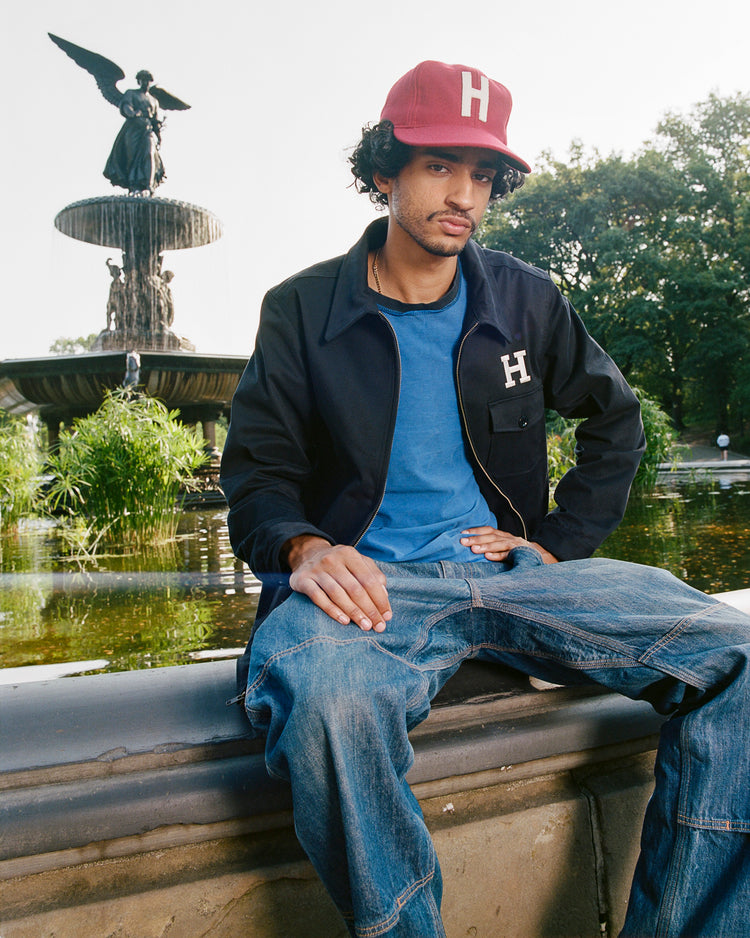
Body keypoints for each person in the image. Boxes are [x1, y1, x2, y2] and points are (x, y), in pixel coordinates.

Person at [220, 61, 750, 938]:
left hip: (510, 573)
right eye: (439, 167)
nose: (464, 194)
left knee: (740, 654)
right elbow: (257, 475)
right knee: (330, 701)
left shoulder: (526, 299)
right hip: (374, 590)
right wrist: (307, 549)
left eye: (482, 174)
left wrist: (559, 542)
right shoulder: (302, 309)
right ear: (384, 171)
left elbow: (616, 422)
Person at [103, 70, 166, 194]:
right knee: (131, 158)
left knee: (149, 154)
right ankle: (133, 186)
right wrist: (132, 113)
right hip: (132, 130)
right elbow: (126, 106)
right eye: (143, 80)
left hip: (147, 130)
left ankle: (149, 185)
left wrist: (159, 136)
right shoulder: (131, 93)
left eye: (148, 80)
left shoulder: (154, 101)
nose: (145, 82)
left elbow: (155, 120)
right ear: (139, 81)